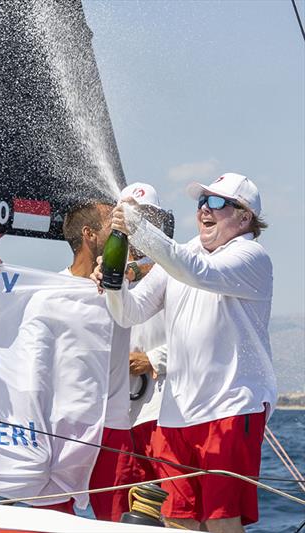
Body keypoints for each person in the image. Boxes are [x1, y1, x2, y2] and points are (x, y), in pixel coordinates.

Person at [95, 172, 276, 532]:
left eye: (219, 203)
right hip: (176, 413)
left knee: (222, 520)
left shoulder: (251, 256)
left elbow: (197, 272)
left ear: (245, 218)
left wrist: (139, 228)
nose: (206, 210)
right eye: (202, 203)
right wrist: (113, 283)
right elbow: (128, 312)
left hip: (231, 405)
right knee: (177, 518)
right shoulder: (184, 254)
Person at [60, 200, 135, 520]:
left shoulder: (122, 284)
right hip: (62, 428)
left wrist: (126, 270)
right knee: (54, 523)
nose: (120, 227)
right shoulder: (49, 289)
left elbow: (161, 267)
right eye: (111, 223)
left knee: (119, 523)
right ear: (89, 235)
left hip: (113, 427)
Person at [119, 183, 173, 483]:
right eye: (132, 215)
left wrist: (152, 359)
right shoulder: (102, 274)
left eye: (148, 217)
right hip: (116, 417)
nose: (139, 224)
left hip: (162, 411)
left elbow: (199, 338)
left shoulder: (177, 271)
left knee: (171, 509)